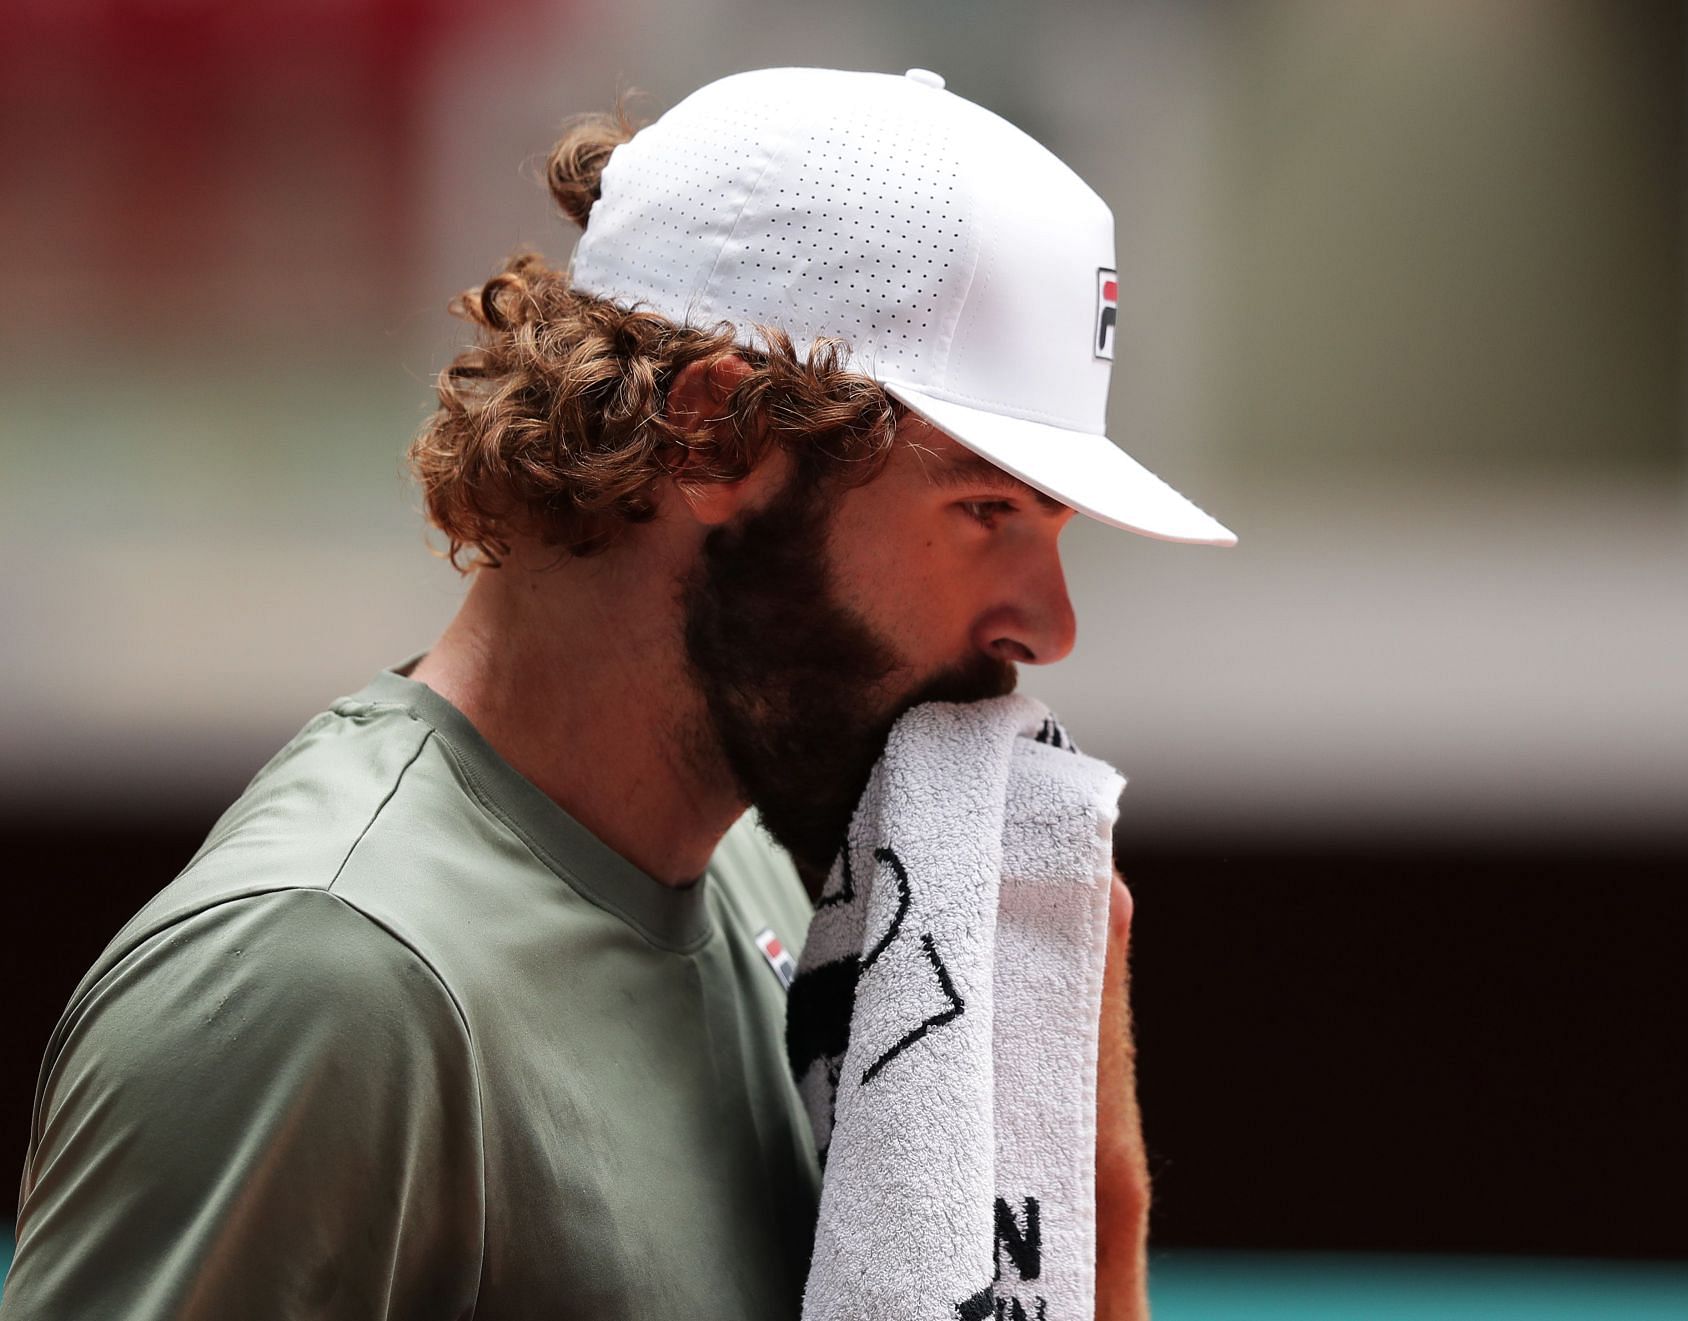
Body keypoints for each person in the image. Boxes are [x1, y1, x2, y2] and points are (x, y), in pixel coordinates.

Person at [1, 67, 1234, 1319]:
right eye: (987, 511)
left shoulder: (781, 889)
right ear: (715, 440)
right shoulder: (325, 983)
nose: (1050, 626)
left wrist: (1093, 1185)